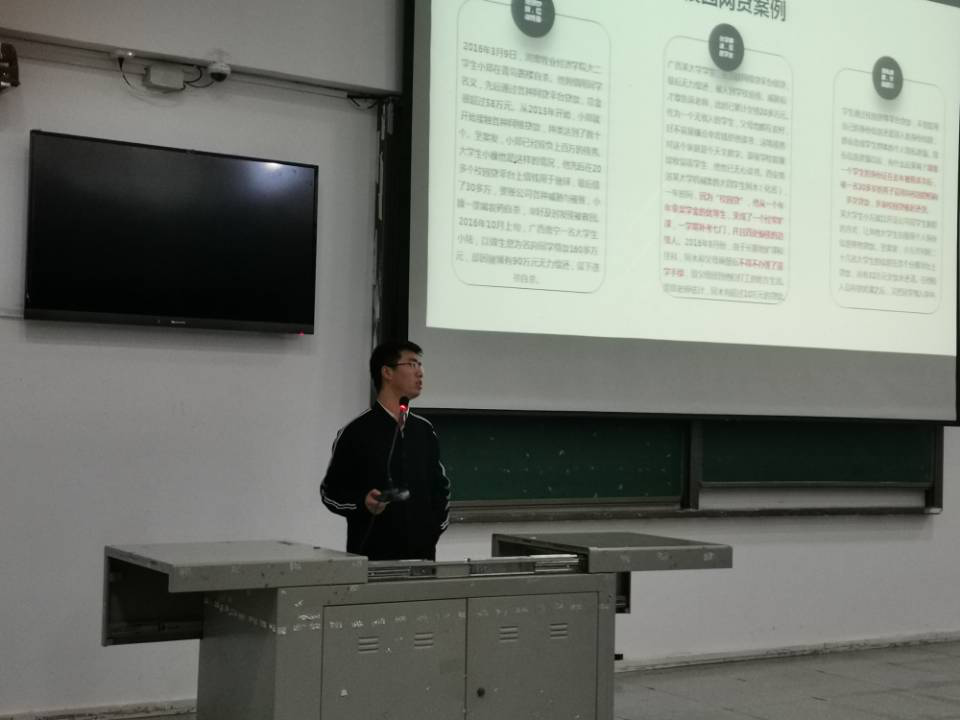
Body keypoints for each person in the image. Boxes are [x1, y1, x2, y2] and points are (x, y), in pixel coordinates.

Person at [320, 340, 450, 560]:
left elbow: (440, 488)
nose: (420, 372)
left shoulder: (424, 430)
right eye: (412, 364)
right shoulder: (356, 432)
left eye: (420, 365)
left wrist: (432, 530)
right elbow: (331, 493)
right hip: (373, 559)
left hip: (422, 561)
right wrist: (363, 503)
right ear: (387, 372)